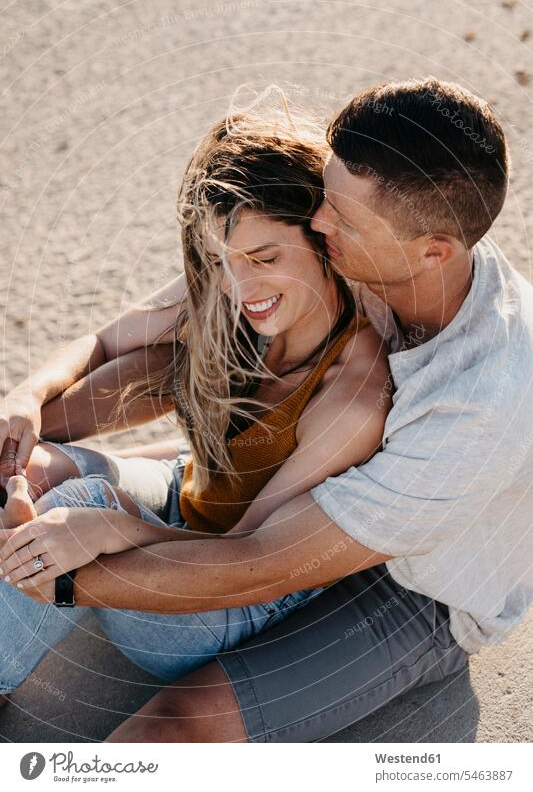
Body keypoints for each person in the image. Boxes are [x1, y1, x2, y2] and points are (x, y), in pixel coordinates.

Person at [3, 76, 532, 744]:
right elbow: (167, 349)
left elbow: (260, 559)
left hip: (420, 588)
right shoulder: (356, 258)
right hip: (280, 505)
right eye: (323, 199)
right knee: (44, 473)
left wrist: (83, 563)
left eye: (339, 216)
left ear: (432, 252)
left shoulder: (470, 410)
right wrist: (29, 414)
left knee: (170, 729)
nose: (318, 218)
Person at [0, 104, 390, 721]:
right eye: (221, 260)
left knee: (87, 507)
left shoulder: (352, 395)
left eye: (265, 258)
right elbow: (100, 344)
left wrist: (118, 527)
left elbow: (247, 556)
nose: (242, 287)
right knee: (28, 461)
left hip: (224, 606)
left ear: (325, 242)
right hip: (187, 497)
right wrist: (23, 396)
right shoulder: (228, 281)